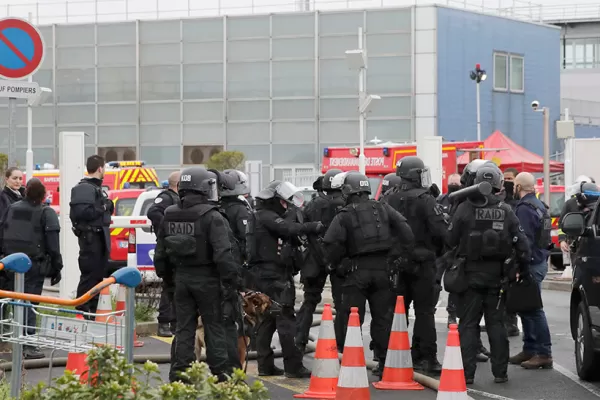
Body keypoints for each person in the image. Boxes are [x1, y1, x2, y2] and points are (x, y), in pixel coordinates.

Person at [154, 166, 241, 382]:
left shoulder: (169, 214)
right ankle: (221, 376)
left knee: (184, 329)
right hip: (209, 281)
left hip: (181, 280)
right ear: (204, 188)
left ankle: (179, 376)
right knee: (214, 328)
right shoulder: (212, 216)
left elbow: (160, 253)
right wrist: (232, 283)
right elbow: (223, 255)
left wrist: (168, 281)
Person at [323, 171, 415, 377]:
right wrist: (397, 258)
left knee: (352, 319)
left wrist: (335, 266)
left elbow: (331, 244)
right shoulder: (383, 207)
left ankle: (351, 364)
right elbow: (407, 232)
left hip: (356, 273)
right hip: (383, 272)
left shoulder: (344, 214)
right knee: (383, 319)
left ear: (348, 190)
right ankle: (383, 364)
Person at [448, 163, 531, 384]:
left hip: (470, 276)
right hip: (497, 278)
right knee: (497, 325)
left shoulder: (464, 209)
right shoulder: (506, 210)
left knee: (468, 325)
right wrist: (523, 270)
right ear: (498, 185)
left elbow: (449, 240)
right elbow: (523, 245)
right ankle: (500, 373)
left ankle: (467, 374)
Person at [247, 180, 323, 378]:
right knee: (286, 319)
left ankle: (265, 365)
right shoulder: (266, 216)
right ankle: (293, 366)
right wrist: (312, 226)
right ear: (273, 200)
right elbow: (288, 229)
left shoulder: (260, 215)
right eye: (283, 203)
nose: (286, 206)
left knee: (267, 319)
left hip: (264, 275)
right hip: (274, 276)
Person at [382, 156, 447, 374]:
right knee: (424, 312)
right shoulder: (426, 199)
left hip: (396, 264)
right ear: (415, 175)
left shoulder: (388, 198)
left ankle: (390, 357)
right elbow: (441, 231)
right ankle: (425, 358)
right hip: (422, 263)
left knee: (395, 313)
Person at [0, 178, 63, 360]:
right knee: (29, 303)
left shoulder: (12, 208)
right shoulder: (46, 213)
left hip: (10, 264)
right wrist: (57, 268)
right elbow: (53, 245)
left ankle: (14, 341)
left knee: (13, 303)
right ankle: (28, 345)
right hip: (33, 265)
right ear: (44, 195)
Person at [295, 168, 345, 354]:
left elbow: (302, 230)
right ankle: (339, 346)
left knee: (309, 301)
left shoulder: (312, 205)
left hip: (313, 260)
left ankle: (298, 341)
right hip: (338, 259)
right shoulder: (344, 203)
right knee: (342, 305)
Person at [509, 172, 553, 370]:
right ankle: (530, 349)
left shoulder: (525, 209)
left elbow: (523, 240)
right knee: (526, 308)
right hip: (540, 259)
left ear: (518, 187)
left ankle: (543, 353)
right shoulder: (540, 205)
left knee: (534, 310)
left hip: (531, 263)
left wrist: (520, 266)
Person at [69, 155, 113, 315]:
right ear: (100, 168)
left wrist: (107, 206)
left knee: (97, 277)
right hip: (90, 239)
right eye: (105, 168)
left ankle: (91, 312)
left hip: (99, 239)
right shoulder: (84, 188)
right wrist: (103, 207)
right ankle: (82, 311)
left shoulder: (95, 188)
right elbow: (82, 212)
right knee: (90, 277)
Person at [147, 171, 181, 337]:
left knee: (177, 287)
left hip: (177, 248)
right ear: (178, 184)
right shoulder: (167, 197)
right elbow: (152, 212)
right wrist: (167, 229)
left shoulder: (180, 199)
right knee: (169, 287)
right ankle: (164, 323)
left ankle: (175, 323)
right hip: (168, 248)